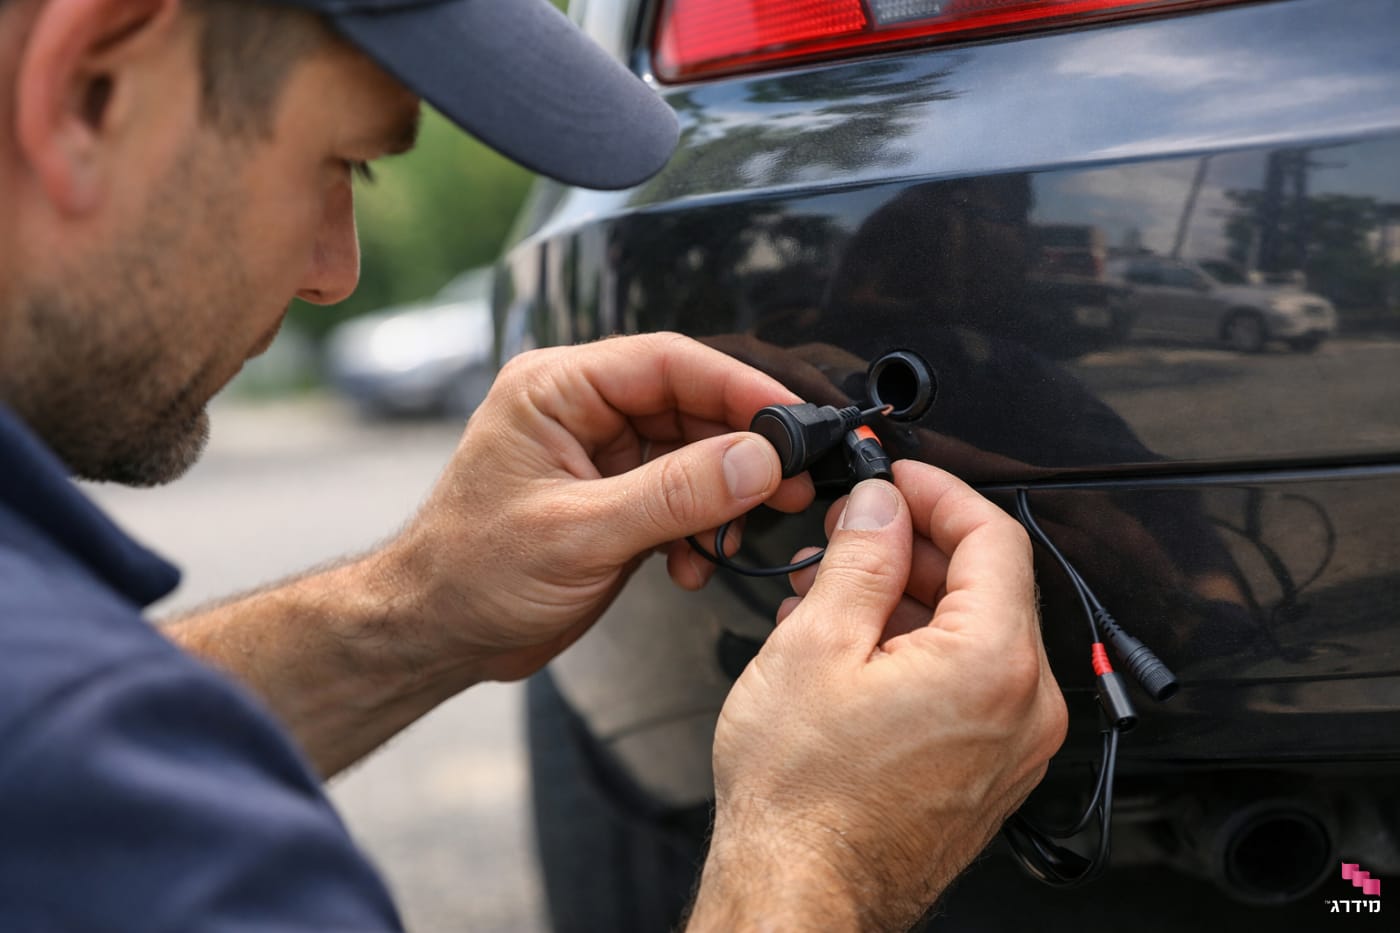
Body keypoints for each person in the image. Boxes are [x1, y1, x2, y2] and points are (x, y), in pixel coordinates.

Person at [0, 0, 1067, 929]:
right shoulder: (81, 764)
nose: (335, 273)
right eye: (341, 162)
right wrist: (818, 859)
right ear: (90, 86)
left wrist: (413, 612)